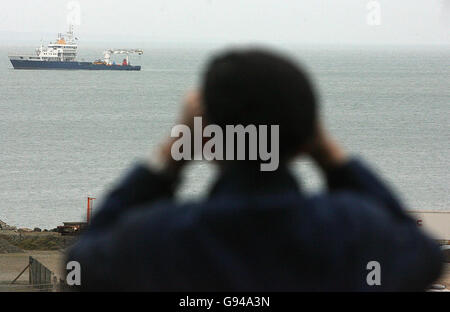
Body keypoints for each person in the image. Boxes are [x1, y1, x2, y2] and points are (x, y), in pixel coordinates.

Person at [67, 49, 442, 291]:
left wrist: (168, 158)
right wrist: (333, 157)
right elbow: (425, 256)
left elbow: (80, 266)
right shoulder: (354, 231)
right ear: (307, 138)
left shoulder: (156, 237)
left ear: (205, 140)